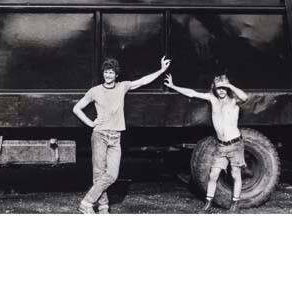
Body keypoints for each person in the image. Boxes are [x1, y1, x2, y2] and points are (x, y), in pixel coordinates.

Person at [73, 55, 171, 213]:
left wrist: (161, 70)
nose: (108, 75)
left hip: (115, 137)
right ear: (103, 73)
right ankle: (103, 207)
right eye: (106, 72)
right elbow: (76, 108)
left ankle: (86, 202)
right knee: (98, 173)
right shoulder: (95, 91)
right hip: (99, 135)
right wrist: (90, 123)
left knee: (112, 175)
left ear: (116, 74)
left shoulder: (122, 87)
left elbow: (143, 81)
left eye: (111, 72)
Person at [164, 73, 249, 213]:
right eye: (218, 88)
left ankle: (235, 205)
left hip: (235, 144)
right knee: (213, 174)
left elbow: (245, 97)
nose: (221, 91)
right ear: (214, 88)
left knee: (235, 174)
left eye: (224, 88)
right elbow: (192, 93)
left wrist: (229, 85)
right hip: (221, 145)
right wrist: (173, 86)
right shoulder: (212, 99)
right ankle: (208, 205)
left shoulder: (234, 101)